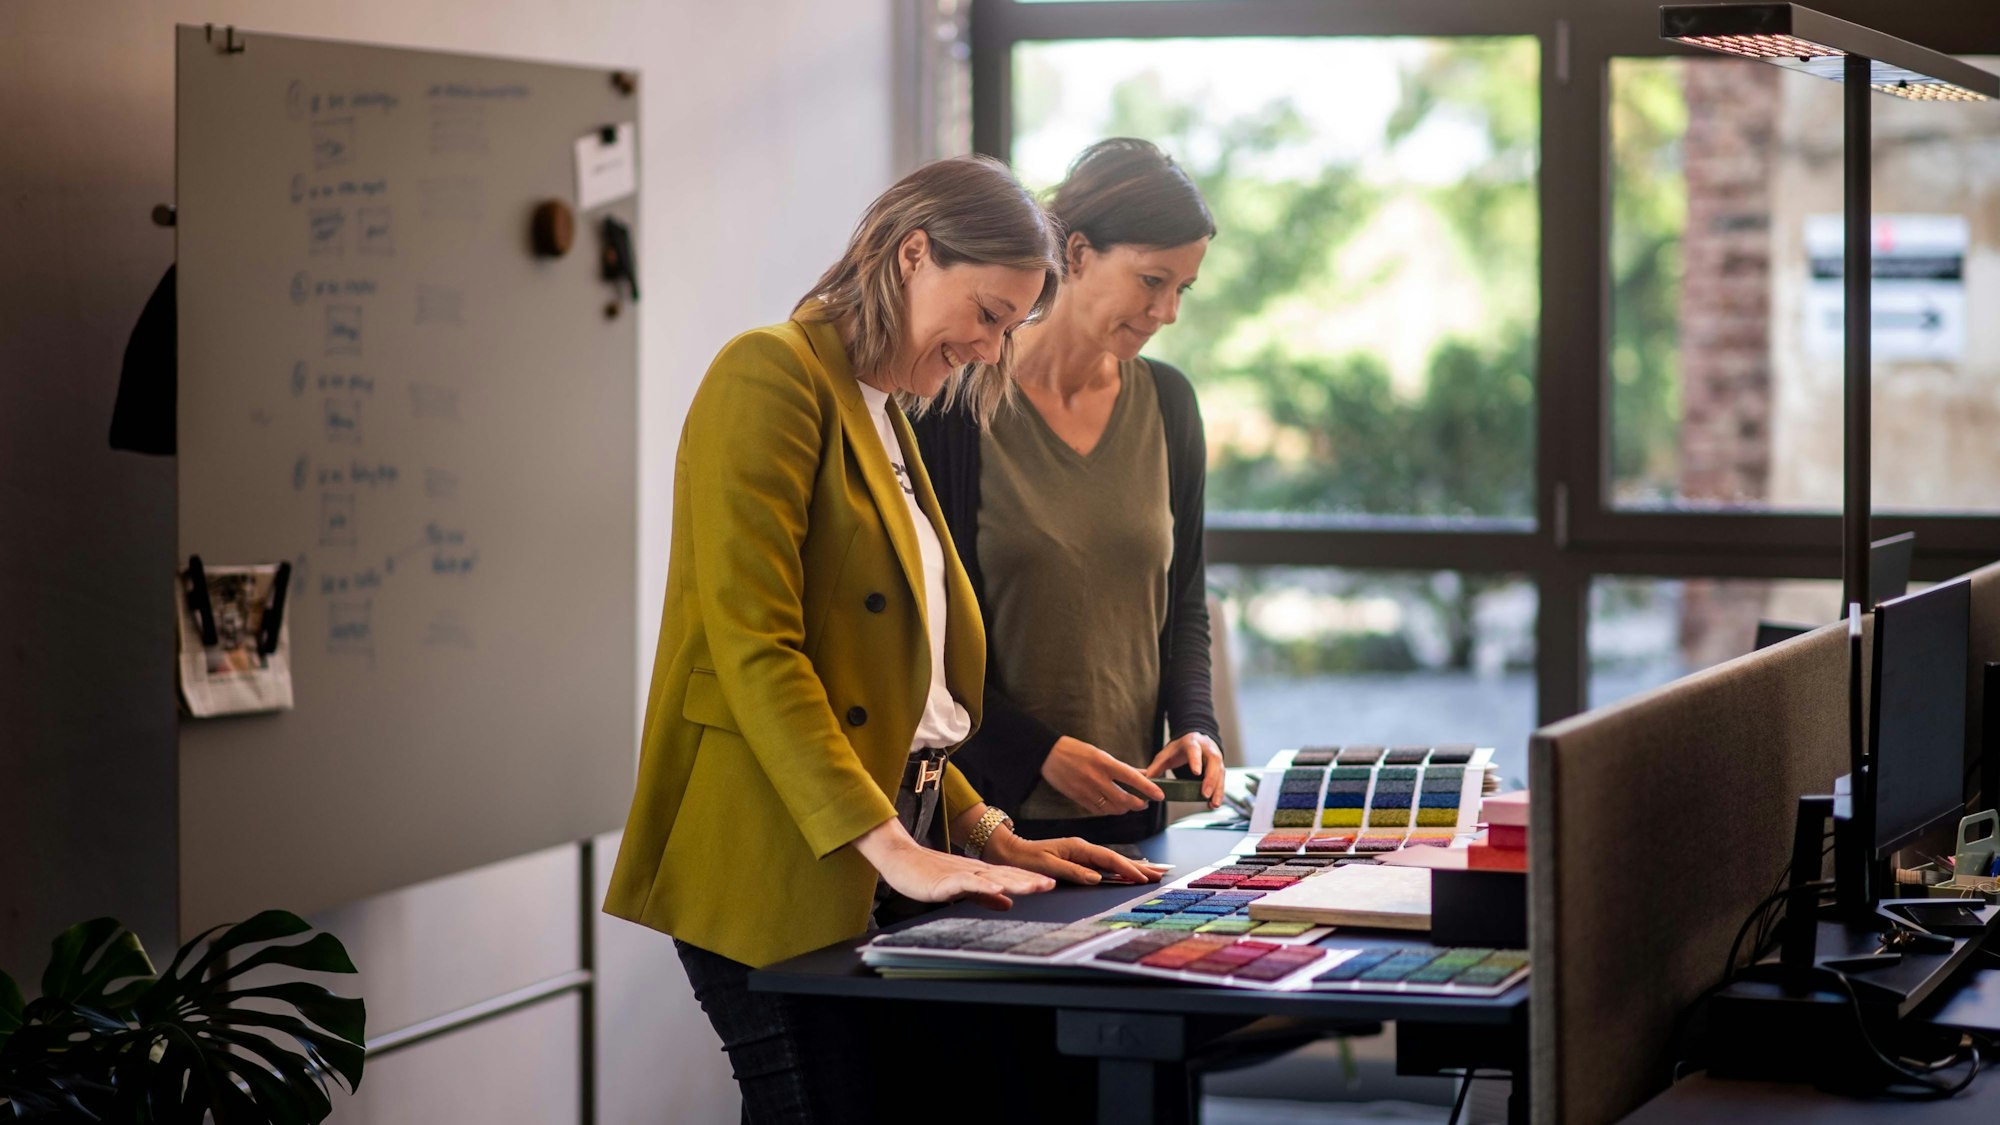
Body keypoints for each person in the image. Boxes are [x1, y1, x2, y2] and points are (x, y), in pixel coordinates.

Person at [602, 155, 1159, 1124]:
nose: (990, 349)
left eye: (1009, 325)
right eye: (986, 313)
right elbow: (754, 647)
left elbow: (908, 689)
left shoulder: (882, 406)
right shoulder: (768, 372)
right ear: (911, 255)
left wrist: (981, 825)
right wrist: (890, 845)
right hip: (777, 846)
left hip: (882, 834)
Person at [914, 138, 1224, 846]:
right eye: (1152, 281)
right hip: (989, 820)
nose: (1169, 311)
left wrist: (1196, 726)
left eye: (1183, 288)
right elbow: (928, 643)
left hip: (1134, 819)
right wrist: (1036, 754)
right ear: (1077, 254)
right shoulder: (955, 407)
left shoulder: (1170, 405)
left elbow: (1184, 604)